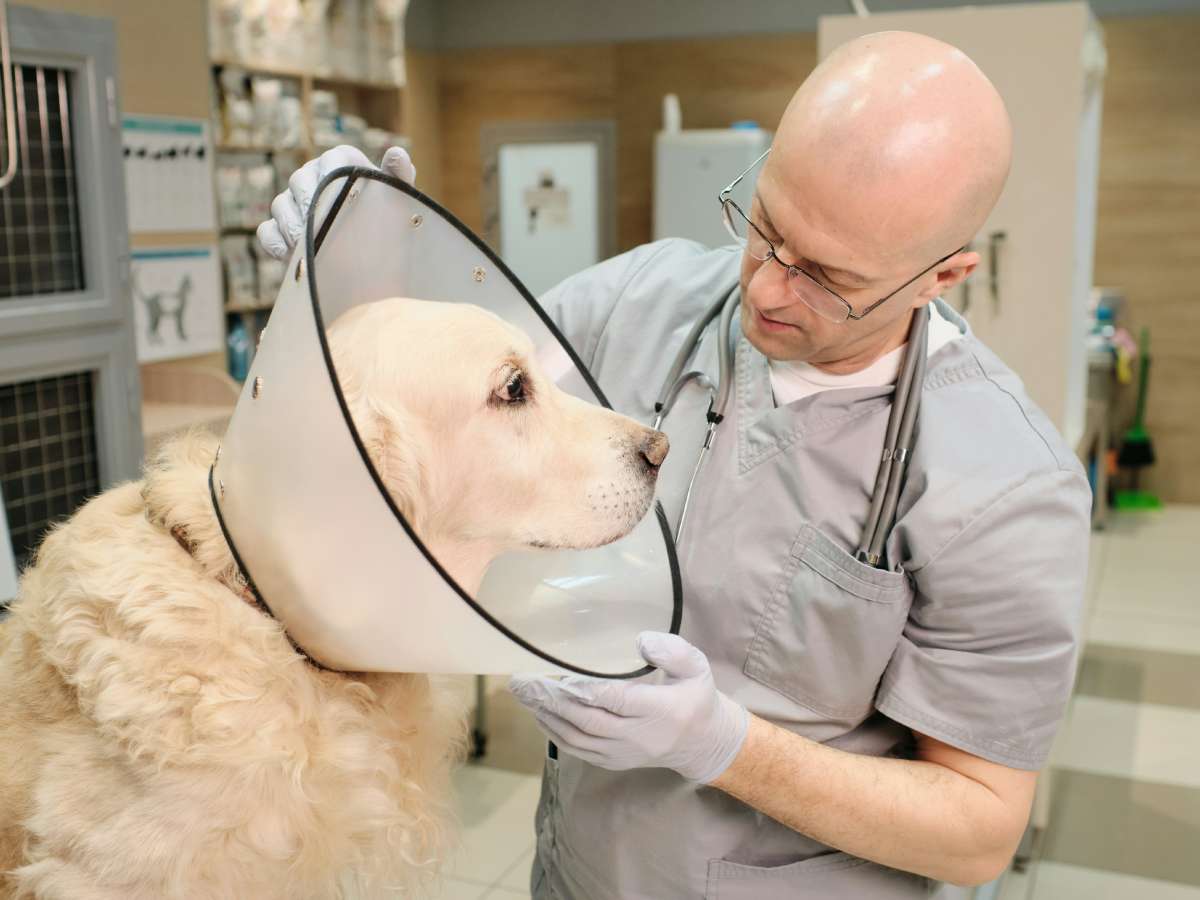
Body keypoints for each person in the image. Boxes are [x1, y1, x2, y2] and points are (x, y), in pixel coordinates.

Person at [259, 30, 1091, 900]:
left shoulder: (1005, 483)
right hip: (574, 872)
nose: (767, 289)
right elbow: (428, 397)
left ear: (941, 276)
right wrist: (354, 267)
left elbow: (978, 829)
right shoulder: (643, 300)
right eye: (765, 226)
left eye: (828, 279)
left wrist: (723, 745)